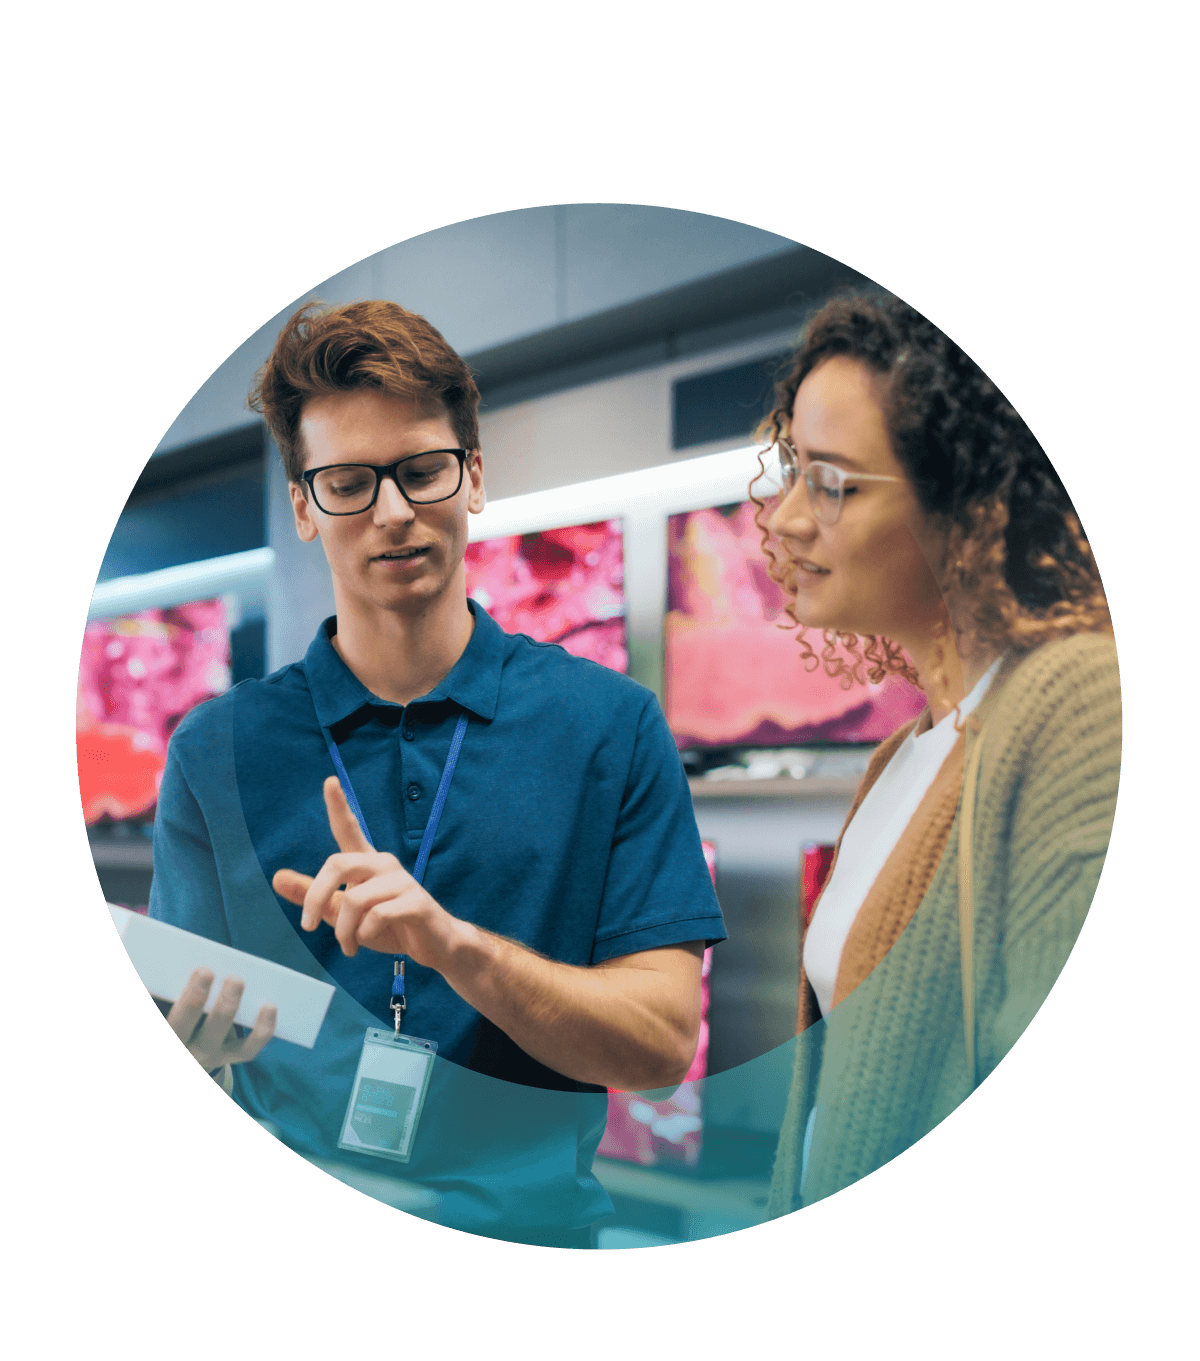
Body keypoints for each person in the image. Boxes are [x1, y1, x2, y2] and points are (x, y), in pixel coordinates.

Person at [149, 299, 726, 1249]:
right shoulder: (214, 749)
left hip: (533, 1227)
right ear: (303, 505)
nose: (392, 511)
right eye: (346, 482)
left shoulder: (607, 725)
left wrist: (453, 944)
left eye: (422, 470)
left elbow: (662, 1047)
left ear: (474, 477)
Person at [750, 294, 1118, 1212]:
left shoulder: (1073, 701)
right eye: (793, 468)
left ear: (967, 501)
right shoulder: (900, 757)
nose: (787, 519)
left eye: (833, 481)